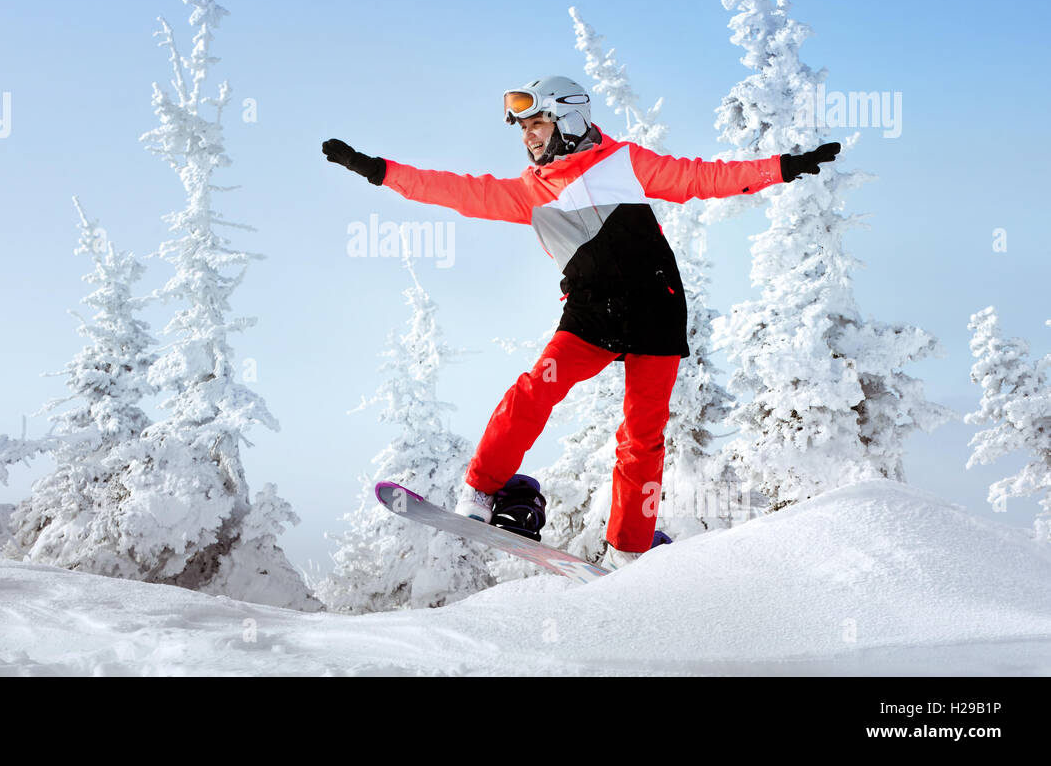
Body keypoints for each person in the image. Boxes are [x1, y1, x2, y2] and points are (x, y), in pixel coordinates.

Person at [322, 76, 839, 571]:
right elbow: (451, 190)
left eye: (537, 124)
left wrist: (783, 167)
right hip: (593, 311)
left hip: (657, 306)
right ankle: (481, 490)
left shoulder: (625, 163)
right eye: (523, 129)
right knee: (535, 390)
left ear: (567, 119)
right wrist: (379, 171)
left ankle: (628, 550)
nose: (527, 137)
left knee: (644, 436)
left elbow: (705, 178)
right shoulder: (529, 192)